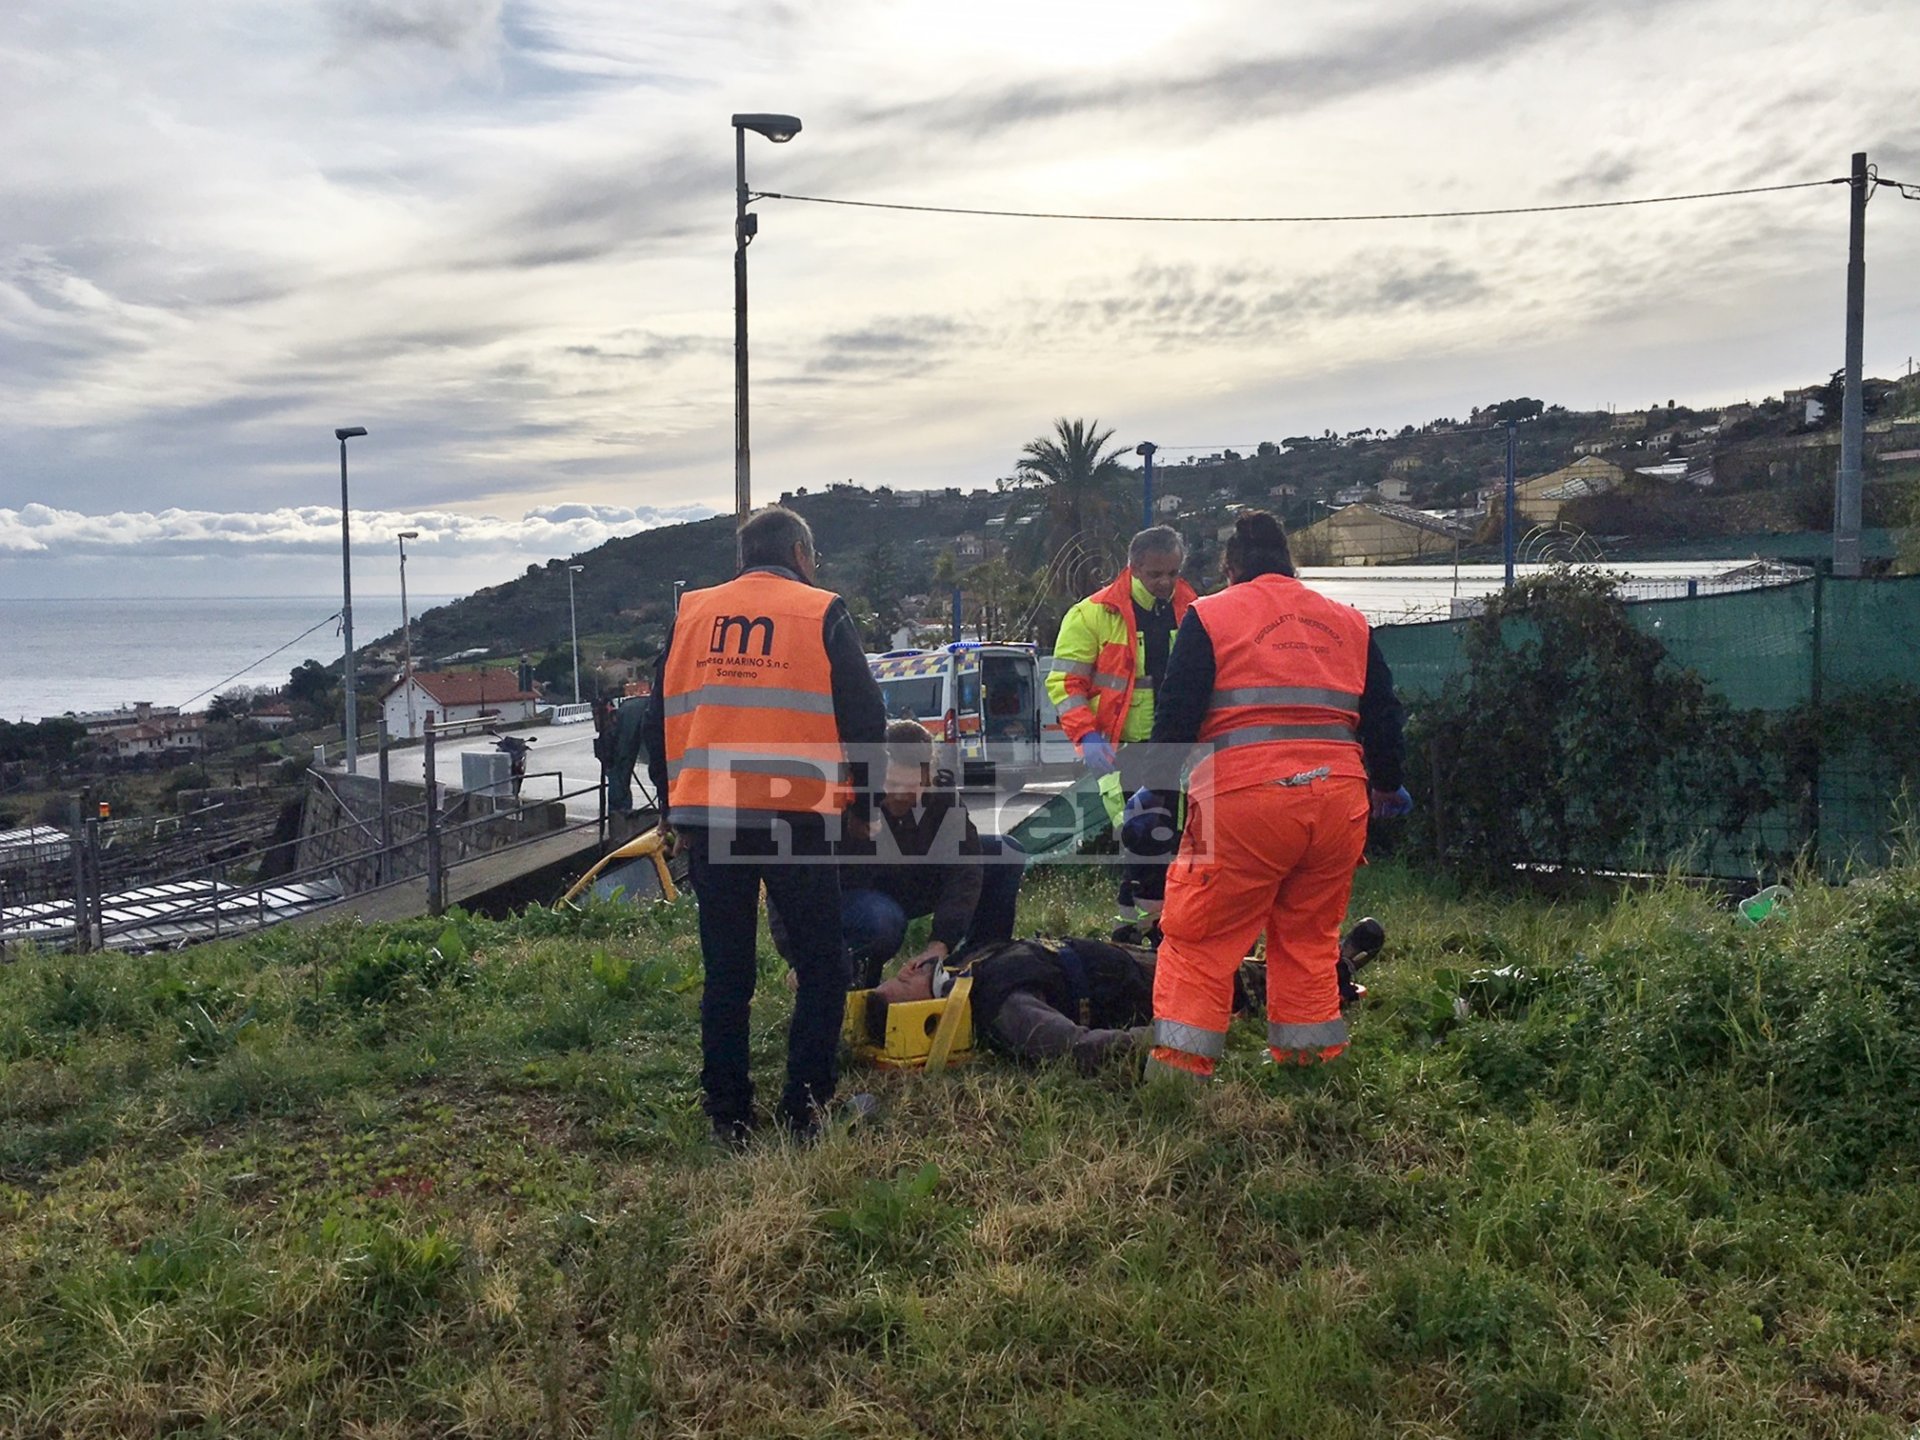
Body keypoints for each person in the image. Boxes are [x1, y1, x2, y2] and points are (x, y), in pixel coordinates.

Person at [643, 504, 886, 1145]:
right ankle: (805, 1109)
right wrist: (863, 805)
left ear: (742, 559)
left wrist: (672, 809)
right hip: (796, 816)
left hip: (709, 812)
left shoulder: (692, 613)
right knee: (822, 964)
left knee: (727, 971)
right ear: (802, 555)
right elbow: (865, 716)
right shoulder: (821, 610)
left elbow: (656, 718)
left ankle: (728, 1115)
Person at [1140, 510, 1409, 1080]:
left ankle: (1177, 1077)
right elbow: (1383, 716)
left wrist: (1158, 798)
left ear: (1231, 567)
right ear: (1291, 565)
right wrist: (1388, 783)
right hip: (1338, 803)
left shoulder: (1210, 616)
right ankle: (1309, 1064)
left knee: (1200, 942)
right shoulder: (1348, 622)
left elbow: (1176, 716)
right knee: (1309, 940)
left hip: (1245, 805)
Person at [863, 920, 1388, 1075]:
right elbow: (1080, 1046)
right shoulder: (998, 1006)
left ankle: (1332, 961)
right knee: (1252, 984)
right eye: (905, 979)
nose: (912, 966)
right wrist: (1176, 1034)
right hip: (1144, 987)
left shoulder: (970, 972)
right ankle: (1340, 968)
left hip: (1121, 960)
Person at [769, 718, 1025, 987]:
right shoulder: (842, 794)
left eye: (912, 786)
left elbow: (966, 865)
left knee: (1005, 853)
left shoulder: (942, 794)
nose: (900, 795)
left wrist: (942, 942)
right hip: (853, 897)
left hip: (908, 884)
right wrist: (798, 955)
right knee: (883, 918)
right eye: (891, 783)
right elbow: (788, 874)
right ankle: (844, 976)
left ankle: (974, 962)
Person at [1044, 526, 1199, 932]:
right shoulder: (1093, 615)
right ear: (1133, 568)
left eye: (1172, 573)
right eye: (1155, 575)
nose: (1165, 583)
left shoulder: (1196, 609)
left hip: (1178, 747)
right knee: (1147, 837)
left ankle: (1131, 930)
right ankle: (1154, 934)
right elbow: (1064, 684)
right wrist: (1087, 736)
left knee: (1166, 842)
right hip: (1121, 747)